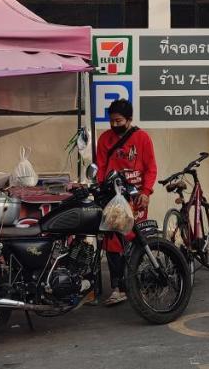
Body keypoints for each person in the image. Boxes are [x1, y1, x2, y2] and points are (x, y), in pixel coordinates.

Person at [93, 98, 156, 306]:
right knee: (113, 242)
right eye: (111, 121)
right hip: (113, 199)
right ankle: (119, 287)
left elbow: (151, 168)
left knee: (135, 240)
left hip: (136, 198)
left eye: (119, 121)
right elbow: (100, 168)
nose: (114, 125)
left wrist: (146, 192)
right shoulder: (104, 140)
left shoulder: (143, 138)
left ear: (129, 119)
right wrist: (100, 191)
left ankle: (135, 283)